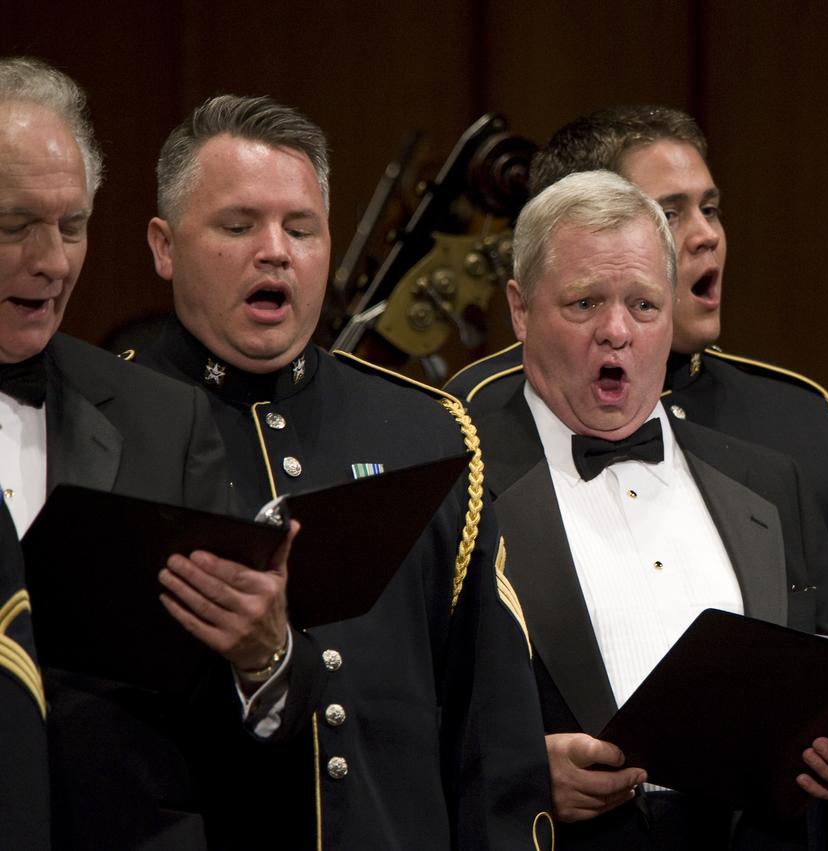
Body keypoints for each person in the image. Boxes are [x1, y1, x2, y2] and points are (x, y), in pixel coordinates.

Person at [477, 168, 828, 850]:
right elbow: (402, 712)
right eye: (583, 304)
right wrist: (518, 773)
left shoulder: (769, 482)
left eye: (643, 305)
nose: (616, 331)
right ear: (520, 309)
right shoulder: (468, 483)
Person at [138, 94, 550, 849]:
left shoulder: (430, 430)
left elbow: (491, 734)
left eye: (301, 228)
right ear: (164, 246)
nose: (276, 250)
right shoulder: (110, 425)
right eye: (238, 226)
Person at [445, 107, 828, 636]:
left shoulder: (803, 432)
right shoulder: (466, 435)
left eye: (712, 209)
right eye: (670, 213)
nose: (707, 235)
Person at [0, 56, 301, 850]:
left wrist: (261, 657)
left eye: (72, 225)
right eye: (15, 225)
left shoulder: (165, 420)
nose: (53, 260)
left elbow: (230, 721)